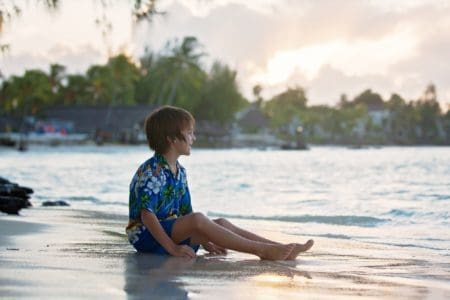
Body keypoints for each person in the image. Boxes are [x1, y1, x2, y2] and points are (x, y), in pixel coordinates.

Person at [126, 105, 314, 260]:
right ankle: (262, 250)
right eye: (190, 133)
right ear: (172, 139)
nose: (194, 138)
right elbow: (147, 216)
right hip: (147, 237)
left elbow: (186, 213)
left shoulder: (180, 172)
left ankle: (279, 247)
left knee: (221, 223)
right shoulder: (152, 171)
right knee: (199, 219)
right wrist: (173, 249)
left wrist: (209, 240)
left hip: (170, 233)